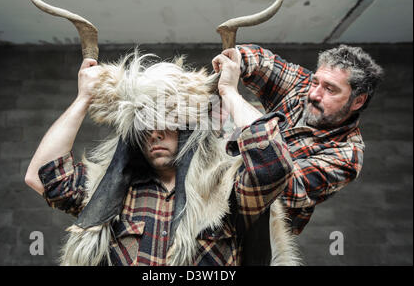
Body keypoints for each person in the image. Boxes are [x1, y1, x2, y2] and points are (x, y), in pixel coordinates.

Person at [25, 51, 300, 266]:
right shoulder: (108, 191)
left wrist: (229, 92)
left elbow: (274, 162)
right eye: (143, 125)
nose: (154, 134)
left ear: (187, 127)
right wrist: (83, 98)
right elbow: (40, 175)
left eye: (166, 121)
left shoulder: (224, 190)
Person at [214, 44, 384, 235]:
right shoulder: (303, 88)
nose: (314, 94)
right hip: (218, 186)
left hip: (253, 228)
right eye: (315, 82)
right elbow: (263, 62)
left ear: (358, 100)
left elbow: (272, 182)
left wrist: (230, 93)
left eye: (330, 89)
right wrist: (238, 58)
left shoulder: (346, 156)